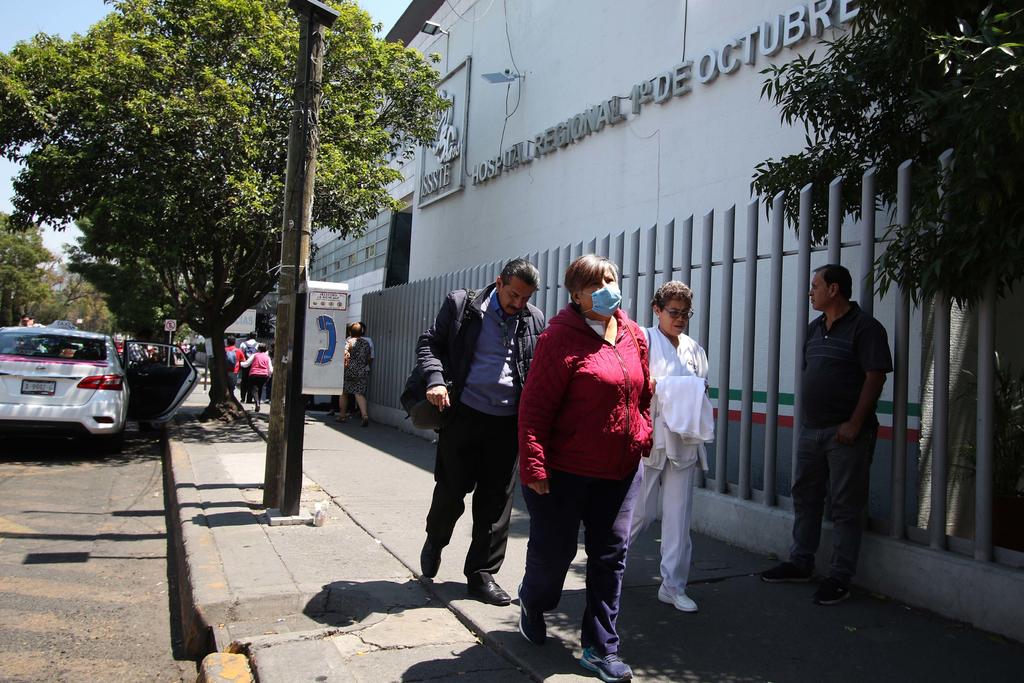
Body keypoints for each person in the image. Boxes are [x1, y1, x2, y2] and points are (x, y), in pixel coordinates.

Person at [517, 254, 653, 682]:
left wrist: (643, 433)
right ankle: (533, 599)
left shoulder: (632, 334)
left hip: (620, 470)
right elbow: (535, 408)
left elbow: (642, 393)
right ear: (575, 294)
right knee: (554, 554)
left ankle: (600, 648)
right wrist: (535, 465)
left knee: (610, 556)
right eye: (595, 284)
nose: (607, 289)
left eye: (610, 279)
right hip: (566, 471)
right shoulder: (558, 338)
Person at [417, 258, 546, 606]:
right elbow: (430, 343)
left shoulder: (534, 319)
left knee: (496, 502)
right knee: (451, 490)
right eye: (513, 295)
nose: (518, 303)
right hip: (463, 414)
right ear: (499, 282)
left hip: (506, 422)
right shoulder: (463, 305)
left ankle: (481, 574)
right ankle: (436, 539)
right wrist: (435, 380)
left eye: (525, 298)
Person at [761, 263, 892, 605]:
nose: (810, 292)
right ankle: (801, 562)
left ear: (834, 289)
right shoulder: (814, 328)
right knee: (805, 496)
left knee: (846, 505)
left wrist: (855, 423)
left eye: (815, 285)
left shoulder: (866, 328)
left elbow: (875, 377)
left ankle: (839, 577)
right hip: (812, 429)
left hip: (846, 433)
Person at [629, 281, 713, 614]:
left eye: (685, 314)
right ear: (657, 310)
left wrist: (681, 389)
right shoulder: (643, 340)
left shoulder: (695, 350)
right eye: (673, 312)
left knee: (678, 517)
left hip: (684, 440)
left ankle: (673, 586)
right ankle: (606, 566)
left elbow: (702, 390)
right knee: (639, 512)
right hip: (650, 439)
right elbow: (635, 385)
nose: (680, 319)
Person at [338, 322, 373, 427]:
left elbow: (345, 353)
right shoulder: (366, 343)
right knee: (359, 393)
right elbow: (369, 358)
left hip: (349, 370)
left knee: (344, 393)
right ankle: (364, 415)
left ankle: (342, 416)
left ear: (350, 332)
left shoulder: (348, 341)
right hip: (361, 370)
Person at [240, 343, 273, 413]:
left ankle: (257, 402)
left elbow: (246, 364)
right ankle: (258, 404)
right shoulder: (267, 357)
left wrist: (240, 363)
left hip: (254, 374)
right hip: (264, 375)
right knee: (260, 389)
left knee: (253, 389)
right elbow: (270, 368)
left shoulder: (255, 355)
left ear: (258, 349)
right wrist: (269, 375)